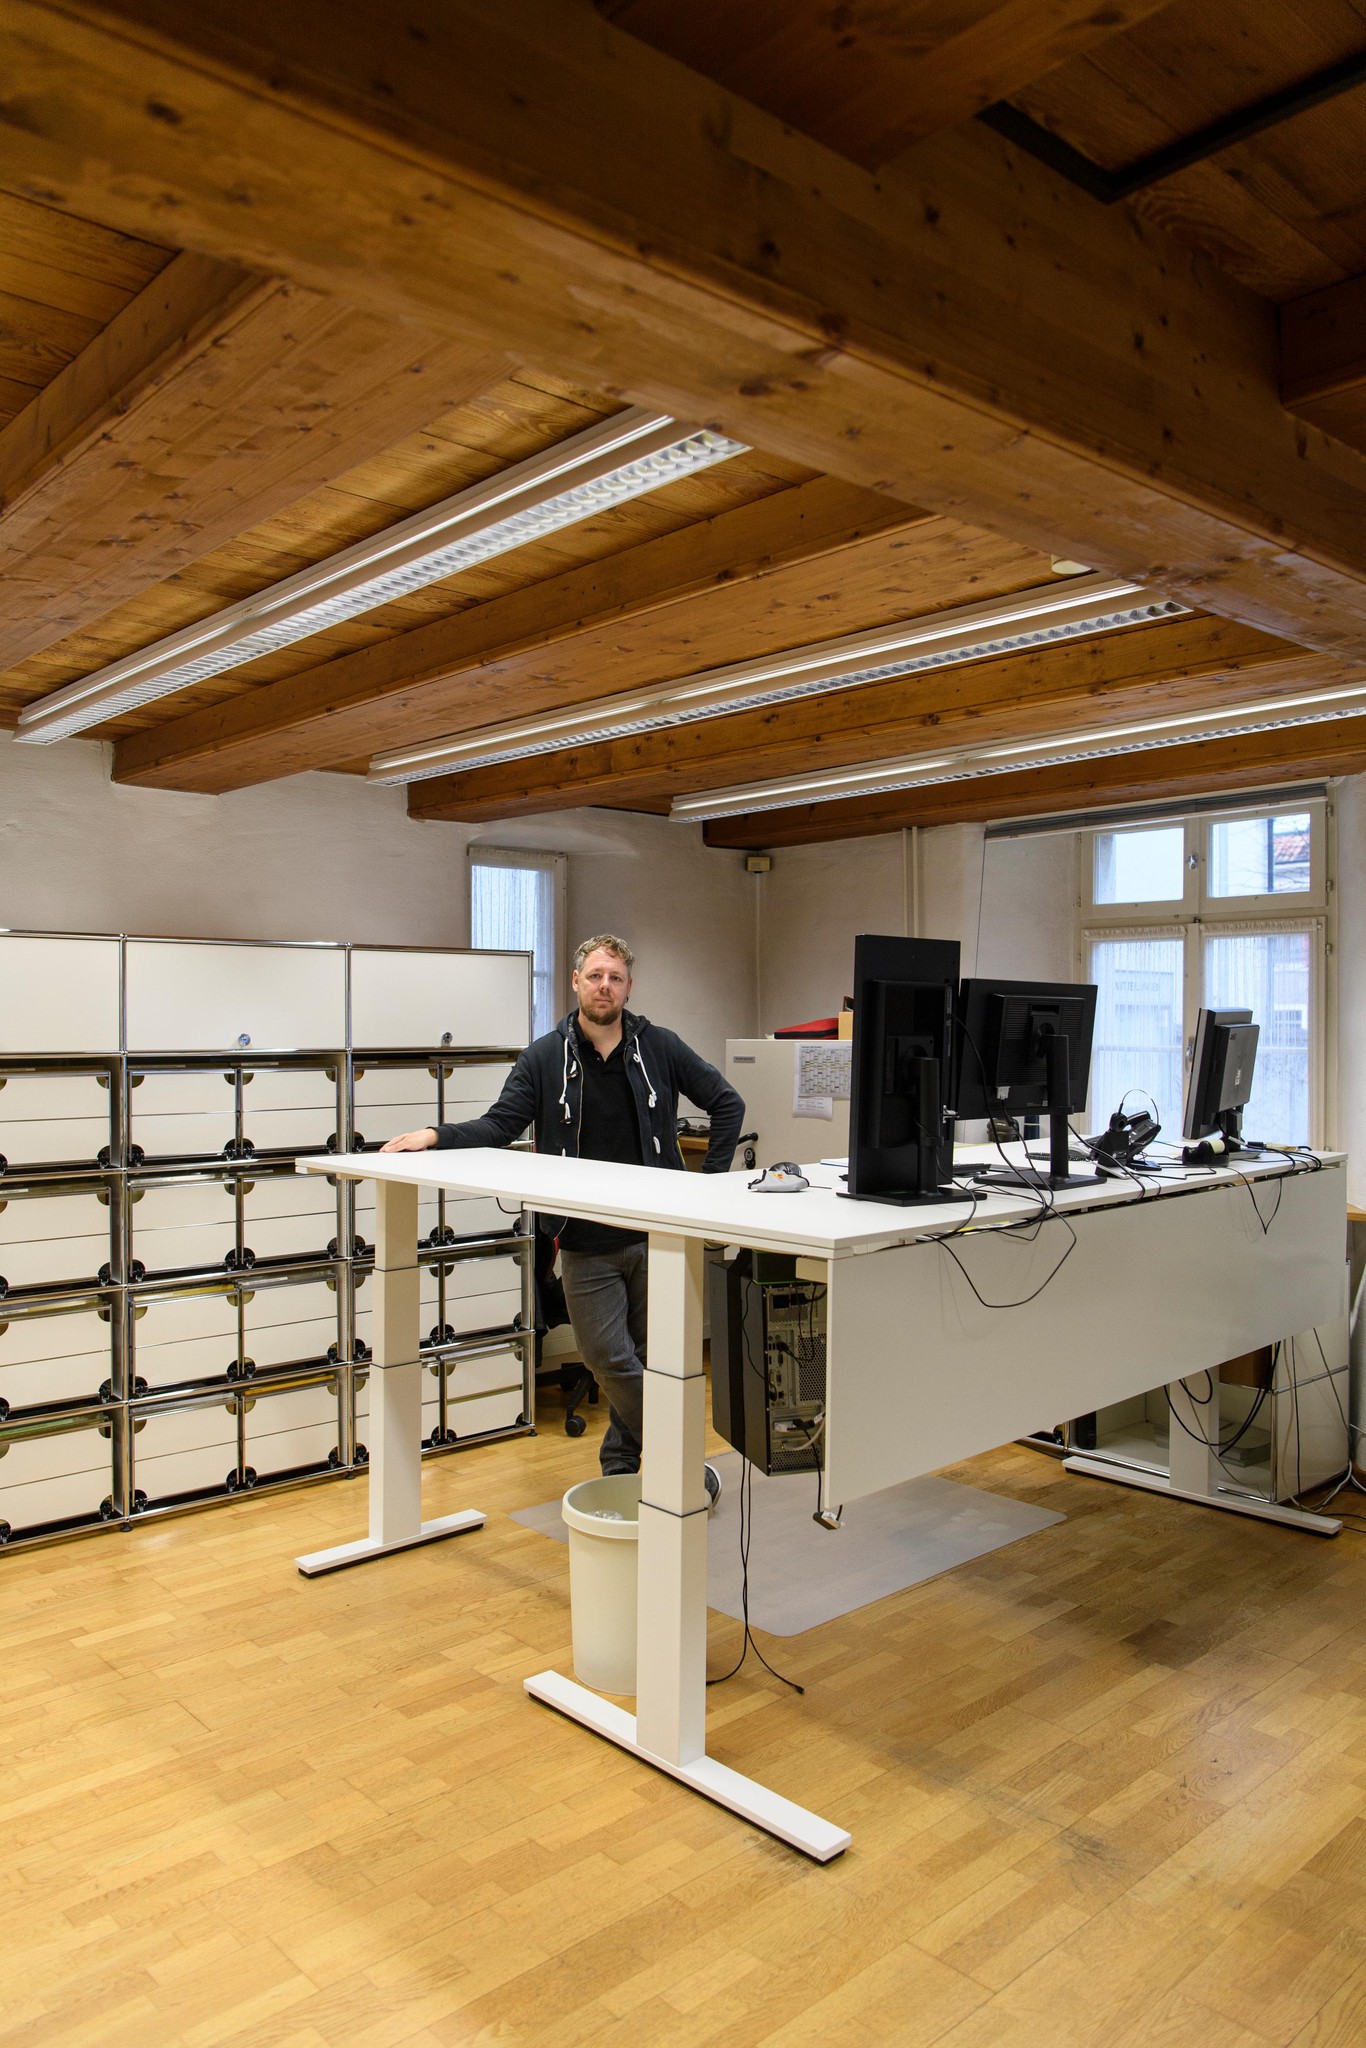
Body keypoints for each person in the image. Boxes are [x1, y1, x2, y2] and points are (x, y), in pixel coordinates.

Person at [381, 934, 745, 1498]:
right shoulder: (546, 1056)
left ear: (628, 987)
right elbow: (500, 1125)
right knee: (607, 1356)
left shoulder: (661, 1048)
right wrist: (435, 1135)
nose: (605, 986)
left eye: (616, 977)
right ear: (575, 982)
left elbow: (727, 1104)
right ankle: (679, 1458)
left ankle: (622, 1471)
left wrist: (709, 1188)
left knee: (653, 1357)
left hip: (658, 1235)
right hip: (583, 1240)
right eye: (595, 975)